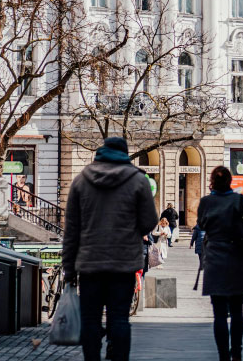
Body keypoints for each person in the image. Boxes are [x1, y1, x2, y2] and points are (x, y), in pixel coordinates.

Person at [63, 137, 158, 361]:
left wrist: (69, 269)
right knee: (119, 319)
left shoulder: (81, 181)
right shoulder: (138, 181)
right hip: (123, 263)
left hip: (90, 264)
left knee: (90, 320)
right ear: (125, 153)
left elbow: (71, 230)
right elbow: (149, 222)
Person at [197, 166, 243, 361]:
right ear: (231, 181)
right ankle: (237, 352)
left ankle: (223, 355)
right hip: (238, 260)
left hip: (215, 260)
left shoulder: (206, 202)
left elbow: (202, 224)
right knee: (237, 311)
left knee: (220, 314)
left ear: (212, 182)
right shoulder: (241, 200)